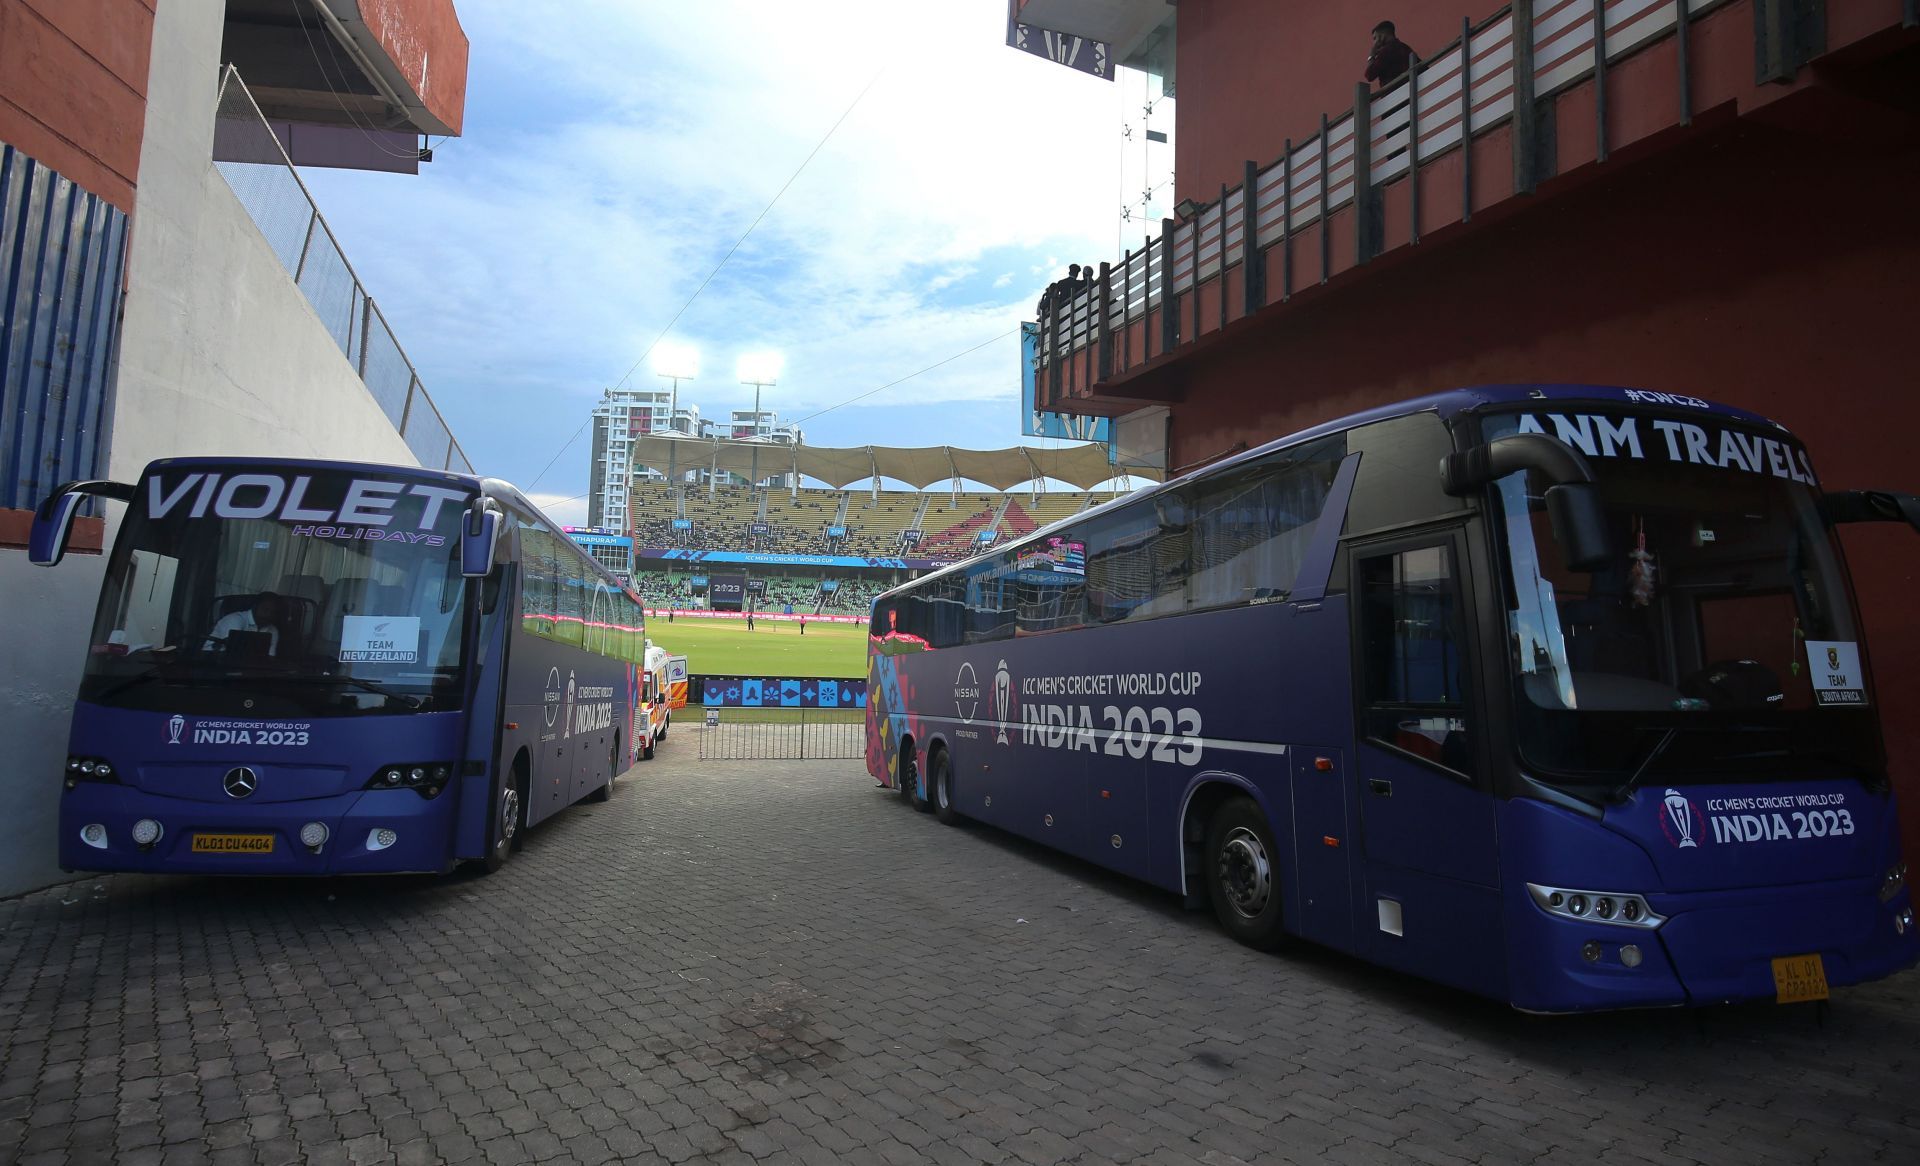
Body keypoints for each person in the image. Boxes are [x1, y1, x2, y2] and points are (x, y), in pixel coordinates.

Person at [204, 592, 283, 656]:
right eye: (265, 609)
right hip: (210, 661)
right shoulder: (236, 620)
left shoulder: (273, 630)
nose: (268, 615)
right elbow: (232, 654)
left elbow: (270, 658)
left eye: (273, 612)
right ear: (255, 607)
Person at [1364, 21, 1417, 88]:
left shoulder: (1386, 51)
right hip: (1409, 94)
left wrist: (1371, 55)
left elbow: (1369, 75)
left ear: (1382, 36)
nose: (1374, 43)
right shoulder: (1406, 48)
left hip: (1392, 95)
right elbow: (1422, 68)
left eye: (1375, 38)